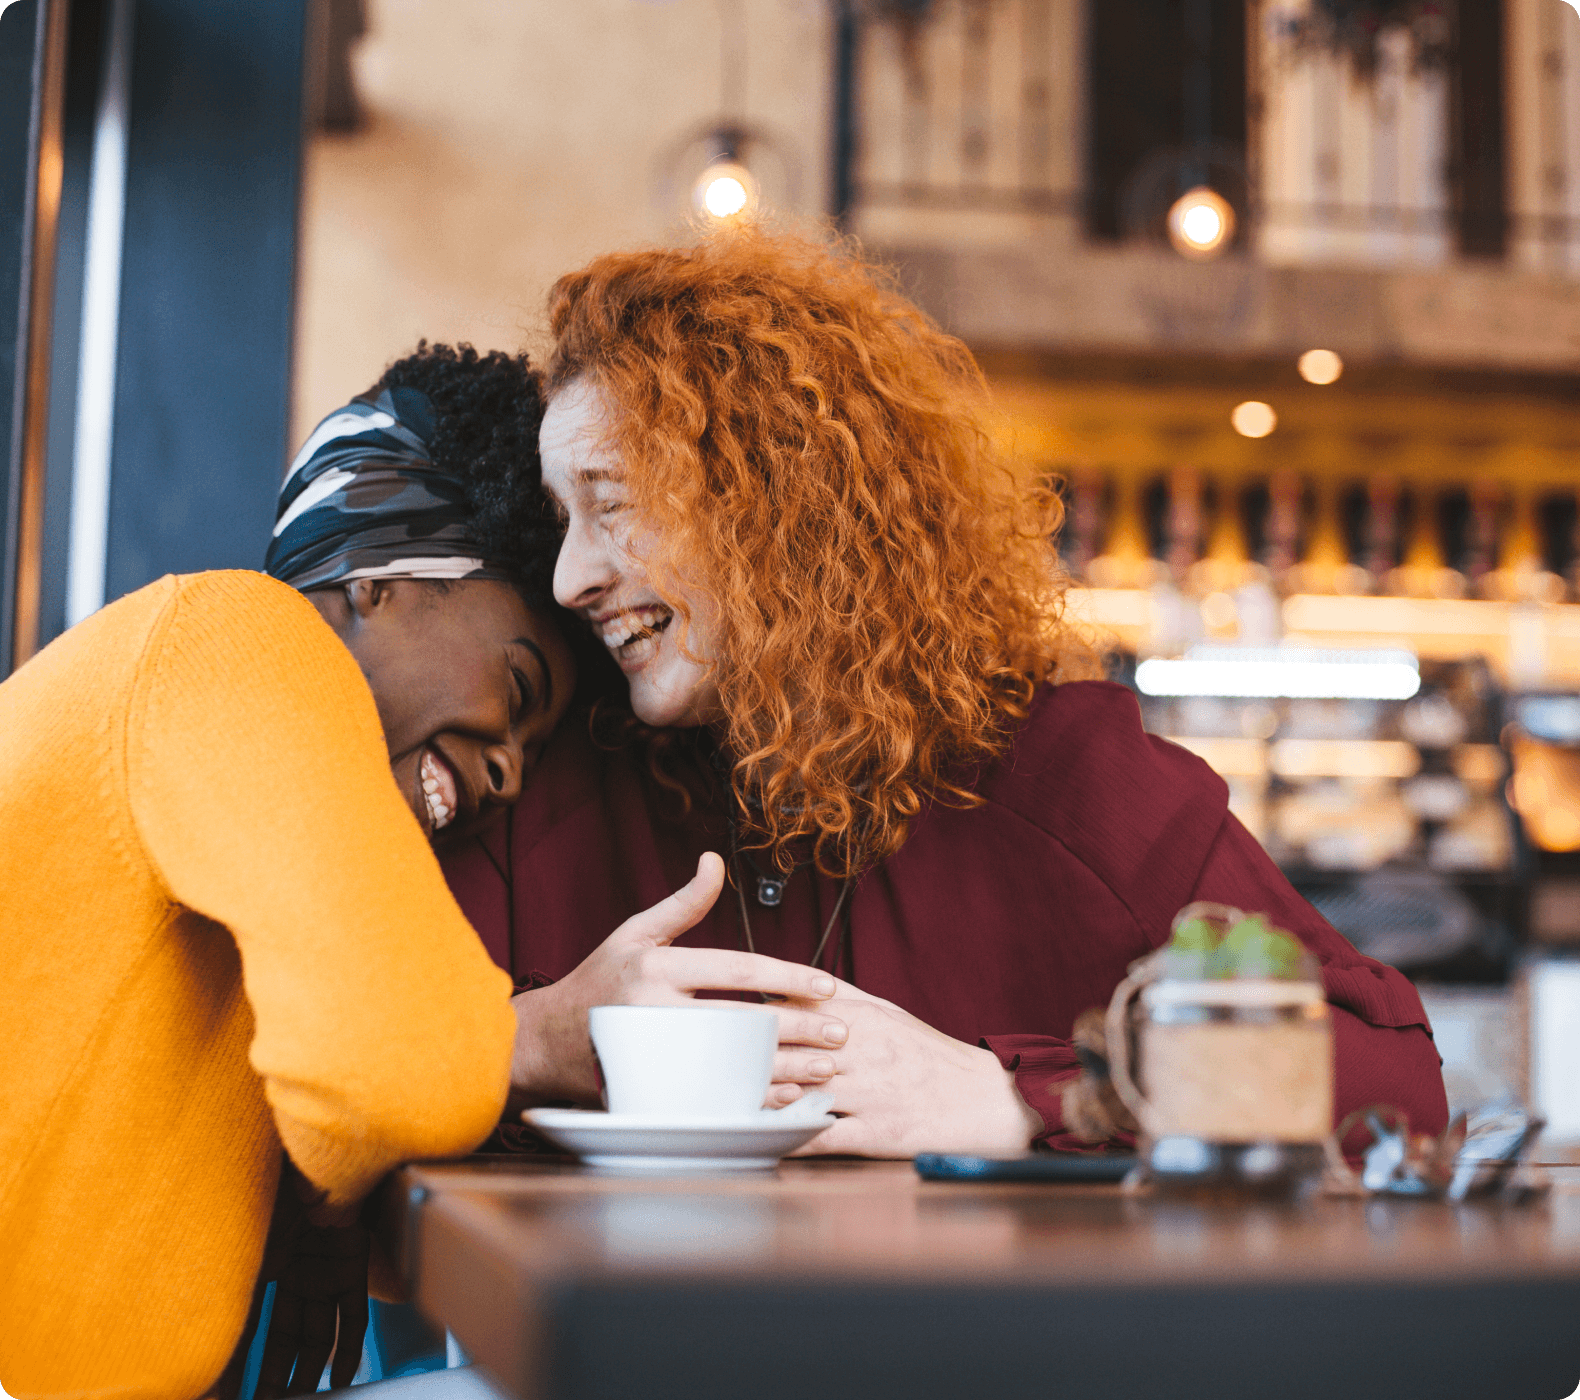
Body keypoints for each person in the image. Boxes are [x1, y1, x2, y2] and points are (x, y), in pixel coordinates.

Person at [441, 230, 1450, 1156]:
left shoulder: (1069, 780)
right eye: (561, 518)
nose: (571, 578)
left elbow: (1386, 1079)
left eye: (611, 506)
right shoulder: (552, 780)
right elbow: (331, 1078)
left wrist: (1021, 1098)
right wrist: (535, 1035)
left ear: (779, 506)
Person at [0, 344, 818, 1400]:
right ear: (380, 580)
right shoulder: (235, 637)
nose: (509, 769)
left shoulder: (217, 721)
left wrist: (323, 1198)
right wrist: (550, 1032)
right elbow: (393, 1069)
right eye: (518, 687)